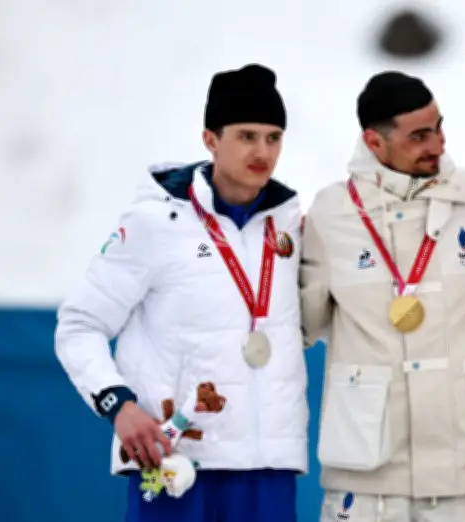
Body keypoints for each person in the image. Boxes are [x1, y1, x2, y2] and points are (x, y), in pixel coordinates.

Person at [54, 64, 307, 522]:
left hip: (268, 469)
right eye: (247, 136)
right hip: (174, 461)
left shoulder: (289, 224)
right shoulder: (155, 222)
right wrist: (119, 404)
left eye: (273, 137)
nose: (263, 152)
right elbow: (79, 325)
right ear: (210, 139)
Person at [300, 71, 465, 522]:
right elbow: (302, 323)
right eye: (419, 136)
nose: (437, 145)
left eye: (438, 128)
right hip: (367, 478)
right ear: (374, 143)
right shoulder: (331, 212)